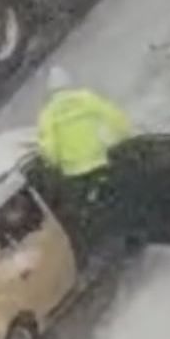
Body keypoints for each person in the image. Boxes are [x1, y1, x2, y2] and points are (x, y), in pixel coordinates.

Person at [36, 66, 135, 259]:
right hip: (99, 162)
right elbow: (116, 117)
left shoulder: (48, 115)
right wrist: (121, 139)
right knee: (115, 201)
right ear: (70, 84)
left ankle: (98, 248)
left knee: (85, 215)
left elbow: (49, 149)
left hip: (74, 174)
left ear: (51, 92)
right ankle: (128, 238)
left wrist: (54, 165)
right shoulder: (86, 99)